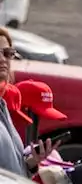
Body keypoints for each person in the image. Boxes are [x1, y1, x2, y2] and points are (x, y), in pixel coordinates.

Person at [0, 28, 56, 177]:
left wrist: (31, 163)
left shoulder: (2, 106)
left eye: (7, 53)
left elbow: (11, 171)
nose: (2, 59)